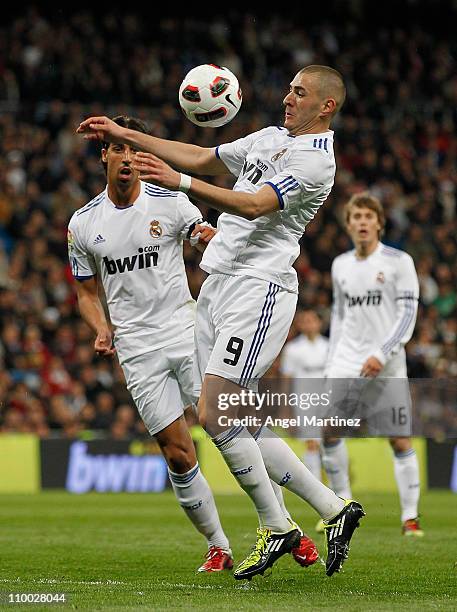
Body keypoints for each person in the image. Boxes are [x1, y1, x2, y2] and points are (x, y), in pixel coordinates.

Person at [77, 65, 365, 580]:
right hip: (217, 283)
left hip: (259, 288)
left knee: (214, 412)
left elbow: (254, 205)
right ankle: (332, 509)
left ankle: (277, 526)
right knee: (239, 418)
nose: (287, 97)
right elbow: (205, 156)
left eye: (299, 93)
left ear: (326, 106)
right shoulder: (272, 137)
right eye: (289, 88)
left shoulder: (316, 162)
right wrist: (127, 135)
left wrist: (180, 183)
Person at [68, 115, 235, 573]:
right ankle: (218, 545)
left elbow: (204, 237)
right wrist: (100, 326)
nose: (125, 157)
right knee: (178, 453)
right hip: (136, 349)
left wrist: (207, 237)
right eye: (116, 149)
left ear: (143, 156)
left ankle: (279, 522)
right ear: (104, 155)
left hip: (185, 329)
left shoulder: (173, 203)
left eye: (131, 148)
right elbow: (85, 291)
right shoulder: (83, 224)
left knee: (229, 427)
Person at [322, 192, 423, 536]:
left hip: (388, 362)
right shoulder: (340, 265)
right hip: (347, 359)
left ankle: (410, 517)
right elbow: (339, 315)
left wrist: (382, 353)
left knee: (399, 439)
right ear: (348, 225)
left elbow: (408, 312)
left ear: (379, 222)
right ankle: (341, 507)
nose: (363, 222)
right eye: (356, 217)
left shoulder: (399, 261)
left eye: (369, 216)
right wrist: (332, 360)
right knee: (328, 430)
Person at [280, 309, 329, 479]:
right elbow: (287, 379)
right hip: (304, 401)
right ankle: (317, 484)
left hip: (327, 400)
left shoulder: (329, 346)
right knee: (311, 442)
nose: (309, 324)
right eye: (305, 321)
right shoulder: (292, 349)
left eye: (312, 320)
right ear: (300, 325)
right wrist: (286, 407)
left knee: (329, 442)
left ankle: (336, 487)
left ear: (319, 323)